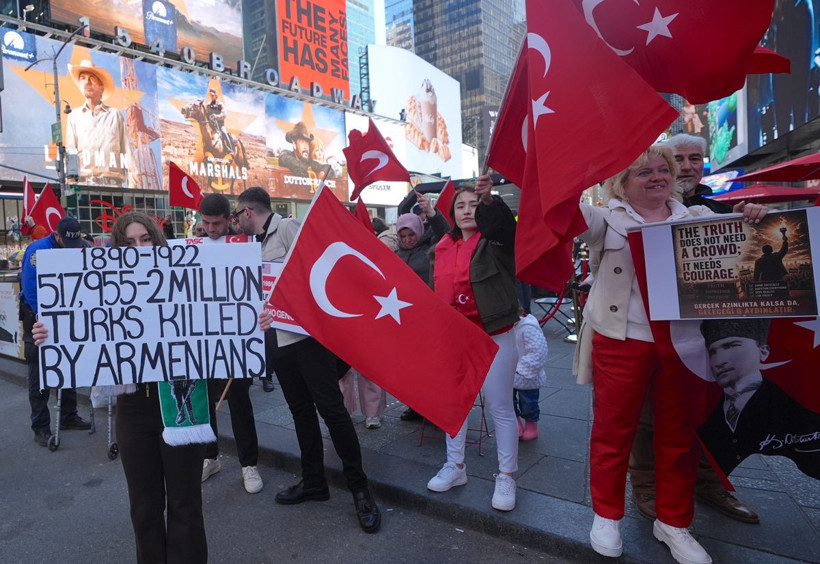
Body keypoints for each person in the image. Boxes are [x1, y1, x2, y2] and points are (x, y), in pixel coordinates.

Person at [31, 211, 272, 562]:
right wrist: (49, 335)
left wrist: (251, 321)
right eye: (129, 243)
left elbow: (221, 328)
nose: (139, 249)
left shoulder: (186, 281)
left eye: (145, 240)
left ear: (158, 242)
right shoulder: (107, 289)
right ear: (116, 249)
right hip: (134, 411)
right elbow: (82, 332)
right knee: (144, 509)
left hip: (181, 405)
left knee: (185, 504)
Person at [574, 145, 766, 562]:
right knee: (613, 431)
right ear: (621, 183)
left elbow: (749, 245)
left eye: (664, 169)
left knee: (680, 437)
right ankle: (606, 516)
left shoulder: (698, 218)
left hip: (685, 345)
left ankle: (674, 523)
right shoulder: (606, 218)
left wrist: (752, 216)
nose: (658, 177)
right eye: (644, 173)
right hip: (622, 341)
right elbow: (563, 215)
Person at [627, 133, 760, 526]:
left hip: (704, 336)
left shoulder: (717, 209)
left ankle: (708, 482)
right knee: (647, 415)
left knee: (704, 413)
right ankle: (646, 486)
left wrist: (752, 217)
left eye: (694, 158)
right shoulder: (632, 208)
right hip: (645, 332)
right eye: (678, 159)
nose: (686, 166)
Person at [234, 186, 381, 533]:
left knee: (332, 411)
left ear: (249, 211)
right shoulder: (247, 245)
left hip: (308, 340)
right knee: (300, 412)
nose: (234, 221)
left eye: (237, 214)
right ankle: (314, 481)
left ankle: (360, 488)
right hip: (278, 342)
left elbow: (317, 263)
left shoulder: (287, 228)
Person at [426, 176, 521, 512]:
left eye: (474, 204)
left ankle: (507, 475)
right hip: (456, 337)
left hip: (494, 334)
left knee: (500, 408)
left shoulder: (493, 241)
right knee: (456, 404)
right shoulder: (443, 246)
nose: (468, 211)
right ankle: (456, 467)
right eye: (461, 205)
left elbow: (504, 229)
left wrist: (490, 203)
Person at [197, 193, 264, 494]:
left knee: (239, 401)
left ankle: (249, 464)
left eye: (216, 223)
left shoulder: (245, 246)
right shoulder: (191, 246)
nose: (211, 229)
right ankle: (210, 456)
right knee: (205, 402)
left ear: (229, 220)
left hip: (236, 337)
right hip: (202, 336)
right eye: (206, 223)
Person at [698, 319, 819, 480]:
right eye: (713, 351)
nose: (719, 360)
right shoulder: (710, 409)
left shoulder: (792, 406)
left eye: (730, 346)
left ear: (763, 351)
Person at [19, 216, 91, 447]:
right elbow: (30, 288)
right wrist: (47, 317)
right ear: (56, 235)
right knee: (38, 371)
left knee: (68, 363)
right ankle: (40, 427)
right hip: (38, 314)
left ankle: (68, 416)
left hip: (69, 311)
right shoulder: (37, 251)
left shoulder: (80, 246)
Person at [395, 192, 450, 421]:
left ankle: (437, 409)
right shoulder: (395, 254)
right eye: (403, 235)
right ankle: (416, 406)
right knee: (411, 367)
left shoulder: (431, 247)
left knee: (433, 367)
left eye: (411, 234)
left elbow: (446, 234)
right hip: (405, 318)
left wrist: (431, 212)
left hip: (428, 317)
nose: (408, 239)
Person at [64, 59, 129, 186]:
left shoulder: (114, 115)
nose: (87, 82)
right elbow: (71, 152)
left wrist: (133, 189)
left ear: (101, 88)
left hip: (113, 186)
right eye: (82, 78)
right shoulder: (74, 116)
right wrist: (70, 185)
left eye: (92, 78)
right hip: (84, 186)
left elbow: (126, 151)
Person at [513, 307, 548, 441]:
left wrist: (522, 368)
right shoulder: (505, 329)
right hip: (509, 372)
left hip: (527, 376)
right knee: (508, 402)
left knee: (529, 402)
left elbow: (539, 351)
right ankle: (515, 423)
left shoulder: (528, 328)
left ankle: (531, 423)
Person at [205, 88, 234, 153]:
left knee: (224, 133)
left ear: (215, 96)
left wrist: (216, 116)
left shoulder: (220, 104)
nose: (211, 96)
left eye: (212, 95)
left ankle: (229, 149)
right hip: (211, 124)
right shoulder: (209, 104)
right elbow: (206, 113)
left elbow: (224, 114)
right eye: (210, 95)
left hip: (220, 125)